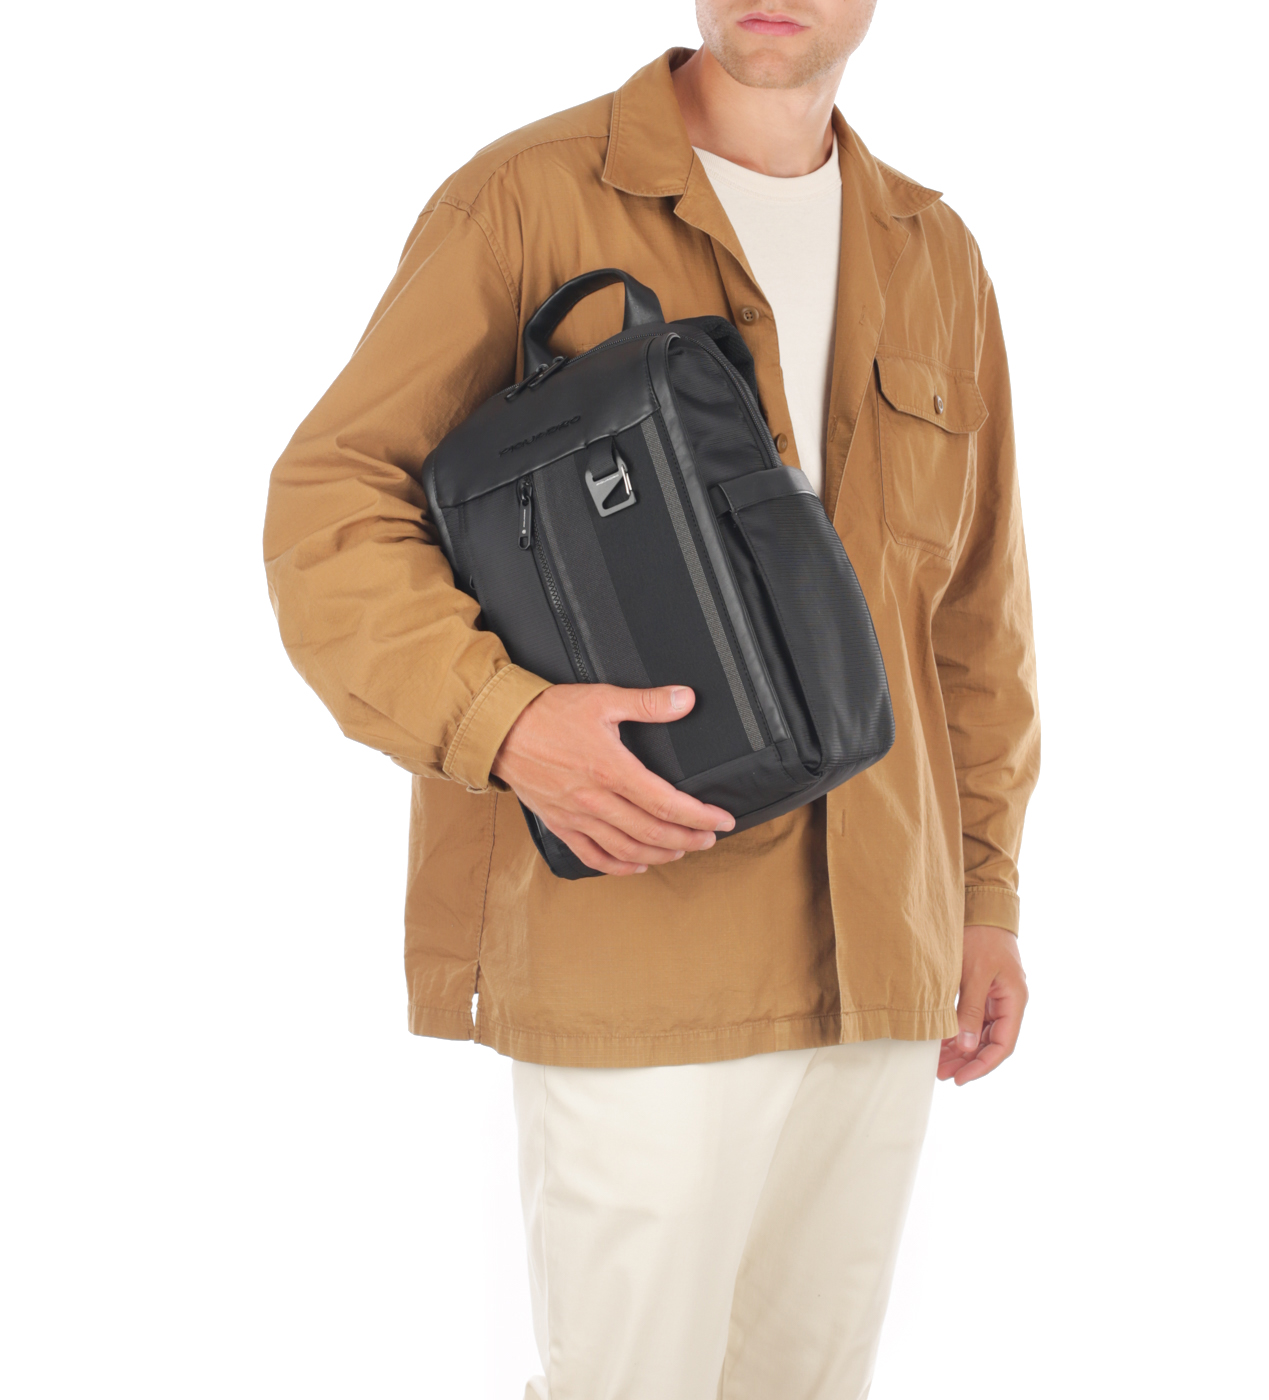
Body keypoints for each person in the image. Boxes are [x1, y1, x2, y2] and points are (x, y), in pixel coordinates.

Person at [264, 3, 1039, 1395]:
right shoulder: (527, 202)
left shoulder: (933, 253)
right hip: (638, 942)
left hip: (885, 956)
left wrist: (985, 896)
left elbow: (976, 619)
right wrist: (504, 723)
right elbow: (332, 510)